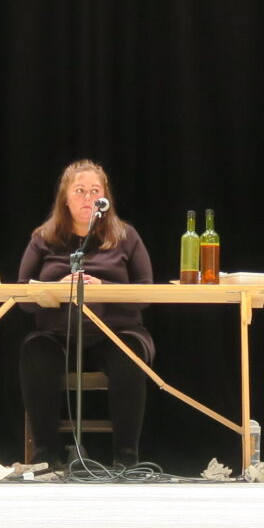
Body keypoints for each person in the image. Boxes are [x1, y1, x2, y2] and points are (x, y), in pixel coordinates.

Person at [13, 160, 157, 467]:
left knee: (128, 354)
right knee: (35, 352)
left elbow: (146, 292)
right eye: (79, 191)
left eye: (95, 191)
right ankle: (45, 456)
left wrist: (104, 288)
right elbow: (23, 294)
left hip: (115, 331)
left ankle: (126, 459)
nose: (88, 198)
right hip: (58, 333)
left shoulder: (126, 236)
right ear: (65, 198)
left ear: (106, 198)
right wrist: (57, 288)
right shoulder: (43, 237)